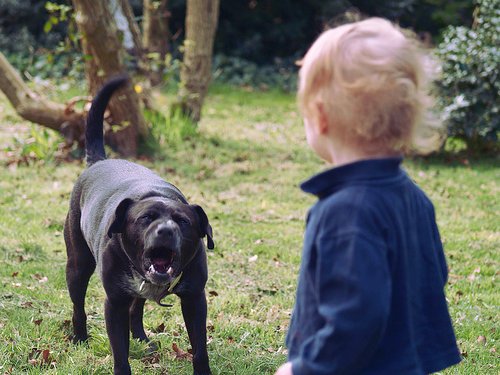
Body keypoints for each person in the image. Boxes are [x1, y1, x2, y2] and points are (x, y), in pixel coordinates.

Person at [275, 18, 461, 375]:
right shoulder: (413, 197)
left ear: (321, 116)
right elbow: (434, 273)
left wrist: (306, 369)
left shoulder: (345, 212)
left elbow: (356, 314)